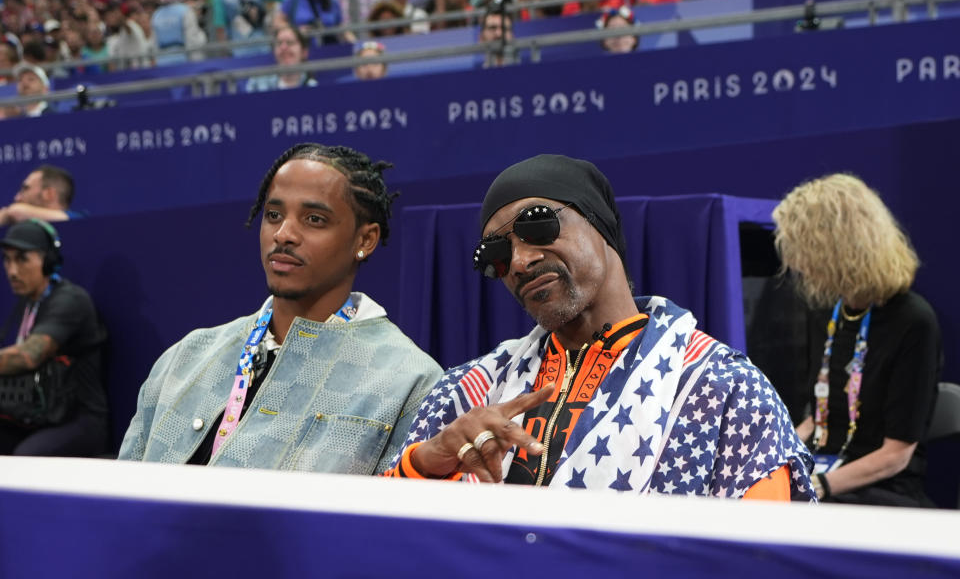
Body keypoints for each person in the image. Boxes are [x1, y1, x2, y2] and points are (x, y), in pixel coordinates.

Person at [386, 155, 814, 500]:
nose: (519, 261)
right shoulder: (465, 391)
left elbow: (766, 553)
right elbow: (381, 536)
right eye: (496, 253)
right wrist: (427, 462)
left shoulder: (723, 388)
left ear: (600, 223)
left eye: (536, 223)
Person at [117, 144, 442, 471]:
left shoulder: (409, 381)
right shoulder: (185, 357)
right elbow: (117, 498)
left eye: (314, 219)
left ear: (365, 240)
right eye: (273, 215)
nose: (284, 234)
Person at [772, 173, 941, 507]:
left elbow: (896, 454)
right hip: (825, 472)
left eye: (804, 248)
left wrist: (818, 486)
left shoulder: (913, 321)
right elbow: (817, 419)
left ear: (837, 248)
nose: (797, 264)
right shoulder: (827, 314)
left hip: (882, 490)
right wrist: (775, 457)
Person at [0, 220, 108, 456]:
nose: (12, 270)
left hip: (80, 421)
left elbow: (28, 356)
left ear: (48, 262)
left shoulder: (70, 300)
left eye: (22, 259)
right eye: (7, 259)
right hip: (37, 414)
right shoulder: (28, 303)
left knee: (25, 460)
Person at [152, 0, 206, 66]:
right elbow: (191, 41)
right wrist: (196, 65)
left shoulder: (156, 14)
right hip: (182, 62)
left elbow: (154, 44)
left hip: (162, 64)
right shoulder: (185, 11)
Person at [245, 25, 317, 92]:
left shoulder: (313, 87)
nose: (283, 48)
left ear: (304, 52)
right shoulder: (257, 82)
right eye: (279, 43)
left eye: (290, 42)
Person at [0, 165, 80, 225]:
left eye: (26, 188)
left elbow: (16, 212)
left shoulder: (79, 220)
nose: (17, 198)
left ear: (49, 194)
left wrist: (8, 213)